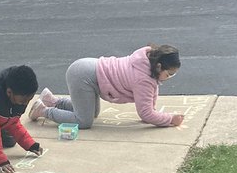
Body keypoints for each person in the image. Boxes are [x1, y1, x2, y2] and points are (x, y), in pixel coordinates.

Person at [29, 44, 184, 129]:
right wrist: (169, 119)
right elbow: (145, 113)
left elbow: (152, 94)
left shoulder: (145, 62)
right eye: (169, 73)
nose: (170, 77)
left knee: (93, 113)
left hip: (89, 69)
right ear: (158, 67)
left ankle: (54, 101)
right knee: (83, 121)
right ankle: (43, 110)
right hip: (83, 75)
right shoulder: (142, 79)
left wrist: (154, 116)